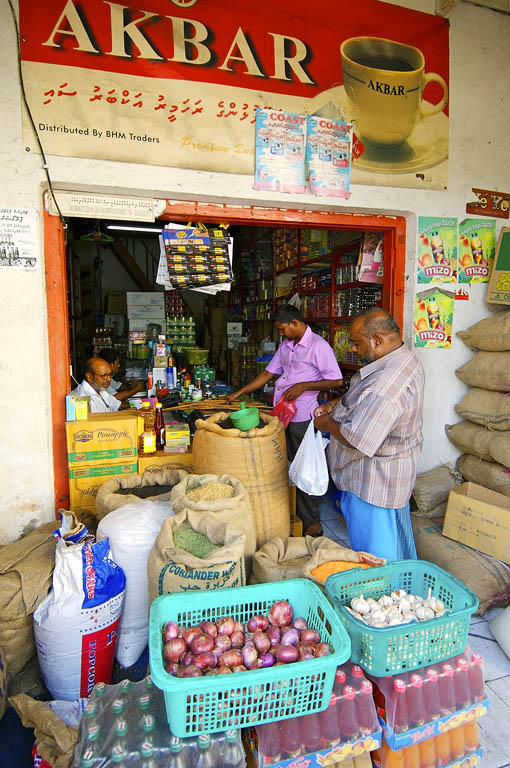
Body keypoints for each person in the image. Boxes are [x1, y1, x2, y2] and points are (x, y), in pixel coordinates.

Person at [314, 308, 424, 561]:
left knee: (376, 556)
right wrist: (336, 404)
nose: (352, 349)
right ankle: (396, 590)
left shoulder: (385, 385)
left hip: (373, 483)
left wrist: (327, 424)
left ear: (377, 340)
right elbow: (365, 396)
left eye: (356, 342)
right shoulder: (402, 359)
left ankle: (382, 594)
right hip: (390, 475)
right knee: (394, 545)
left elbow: (359, 439)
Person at [225, 304, 343, 537]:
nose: (281, 333)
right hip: (283, 414)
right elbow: (268, 374)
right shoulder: (286, 346)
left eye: (282, 328)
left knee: (304, 469)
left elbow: (337, 381)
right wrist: (239, 393)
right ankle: (292, 513)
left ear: (295, 323)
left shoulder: (318, 347)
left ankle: (312, 524)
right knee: (287, 465)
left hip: (304, 417)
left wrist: (302, 386)